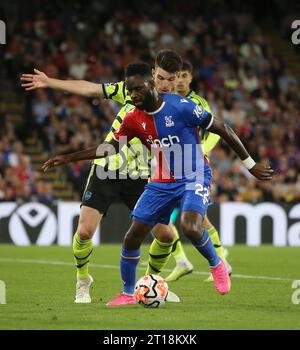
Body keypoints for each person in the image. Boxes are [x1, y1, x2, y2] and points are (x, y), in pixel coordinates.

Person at [42, 62, 273, 306]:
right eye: (129, 91)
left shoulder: (182, 107)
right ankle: (128, 293)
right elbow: (110, 146)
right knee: (132, 236)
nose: (132, 96)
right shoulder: (133, 115)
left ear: (152, 84)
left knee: (189, 227)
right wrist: (68, 157)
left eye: (137, 90)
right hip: (156, 179)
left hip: (191, 174)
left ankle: (216, 265)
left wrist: (250, 165)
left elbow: (222, 128)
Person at [21, 50, 186, 304]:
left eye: (169, 80)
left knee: (166, 235)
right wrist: (51, 82)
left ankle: (151, 283)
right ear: (153, 74)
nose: (164, 84)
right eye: (160, 78)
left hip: (141, 175)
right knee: (85, 232)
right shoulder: (132, 89)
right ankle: (82, 279)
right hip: (107, 167)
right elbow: (89, 89)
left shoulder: (176, 107)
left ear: (176, 79)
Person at [162, 61, 232, 282]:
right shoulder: (165, 100)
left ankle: (217, 261)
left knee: (196, 219)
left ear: (191, 78)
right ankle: (186, 260)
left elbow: (217, 130)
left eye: (184, 75)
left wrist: (203, 150)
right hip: (168, 165)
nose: (180, 80)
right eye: (177, 75)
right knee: (166, 217)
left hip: (192, 167)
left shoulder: (198, 102)